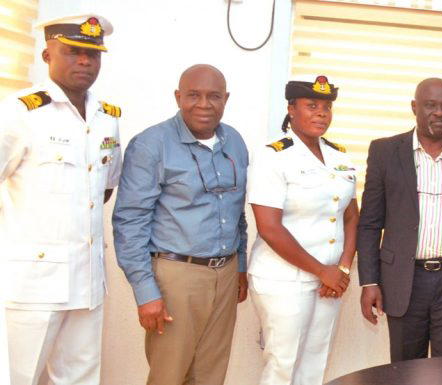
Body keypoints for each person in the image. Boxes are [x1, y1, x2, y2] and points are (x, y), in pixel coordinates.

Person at [0, 14, 120, 385]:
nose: (85, 61)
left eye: (93, 54)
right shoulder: (20, 112)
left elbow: (103, 187)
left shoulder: (106, 117)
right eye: (72, 51)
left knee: (80, 378)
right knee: (18, 377)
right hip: (33, 282)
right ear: (47, 55)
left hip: (87, 280)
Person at [113, 64, 249, 385]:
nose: (204, 104)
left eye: (214, 96)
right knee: (169, 376)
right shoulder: (151, 144)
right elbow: (130, 223)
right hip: (176, 277)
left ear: (226, 99)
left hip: (225, 274)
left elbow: (237, 212)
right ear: (178, 97)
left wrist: (240, 267)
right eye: (193, 95)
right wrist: (146, 292)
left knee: (210, 375)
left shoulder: (235, 142)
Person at [357, 78, 442, 361]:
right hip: (403, 279)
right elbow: (370, 223)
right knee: (405, 369)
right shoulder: (385, 152)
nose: (439, 113)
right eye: (431, 105)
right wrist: (369, 281)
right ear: (414, 107)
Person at [247, 76, 357, 384]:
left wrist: (342, 269)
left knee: (314, 363)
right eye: (312, 105)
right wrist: (323, 271)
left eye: (326, 107)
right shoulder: (273, 156)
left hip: (329, 280)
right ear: (291, 109)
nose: (321, 113)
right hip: (283, 279)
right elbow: (269, 228)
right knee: (283, 365)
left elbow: (351, 216)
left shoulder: (339, 156)